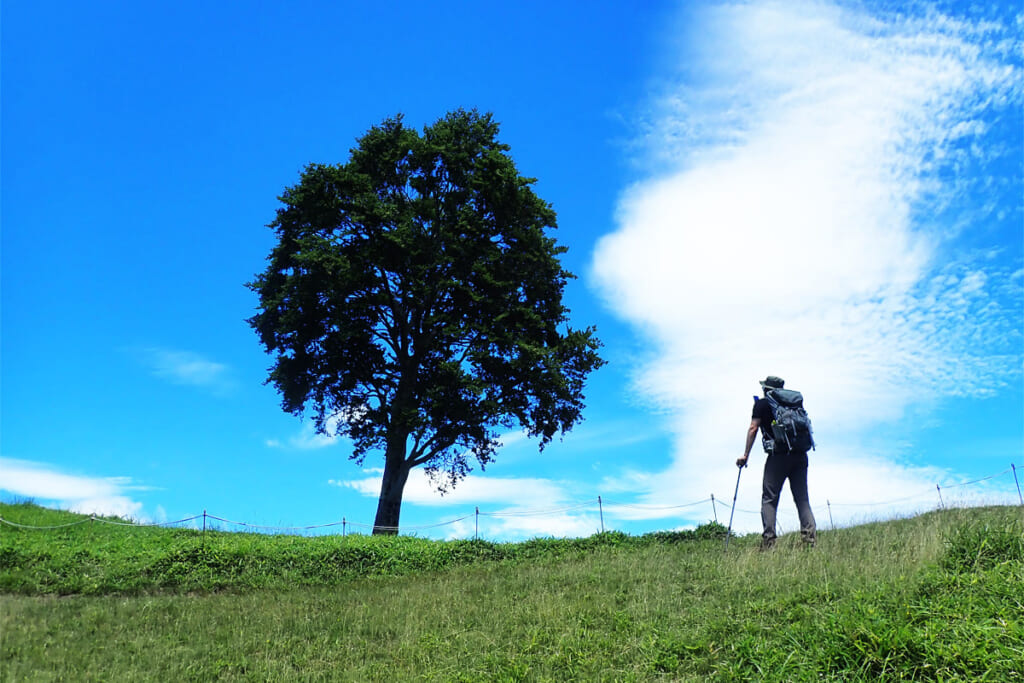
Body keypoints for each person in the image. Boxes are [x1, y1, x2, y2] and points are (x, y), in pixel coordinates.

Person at [737, 375, 816, 549]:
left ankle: (769, 542)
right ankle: (810, 540)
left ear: (766, 389)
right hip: (800, 454)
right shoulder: (794, 404)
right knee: (802, 499)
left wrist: (745, 455)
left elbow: (753, 428)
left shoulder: (762, 404)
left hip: (778, 456)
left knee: (769, 498)